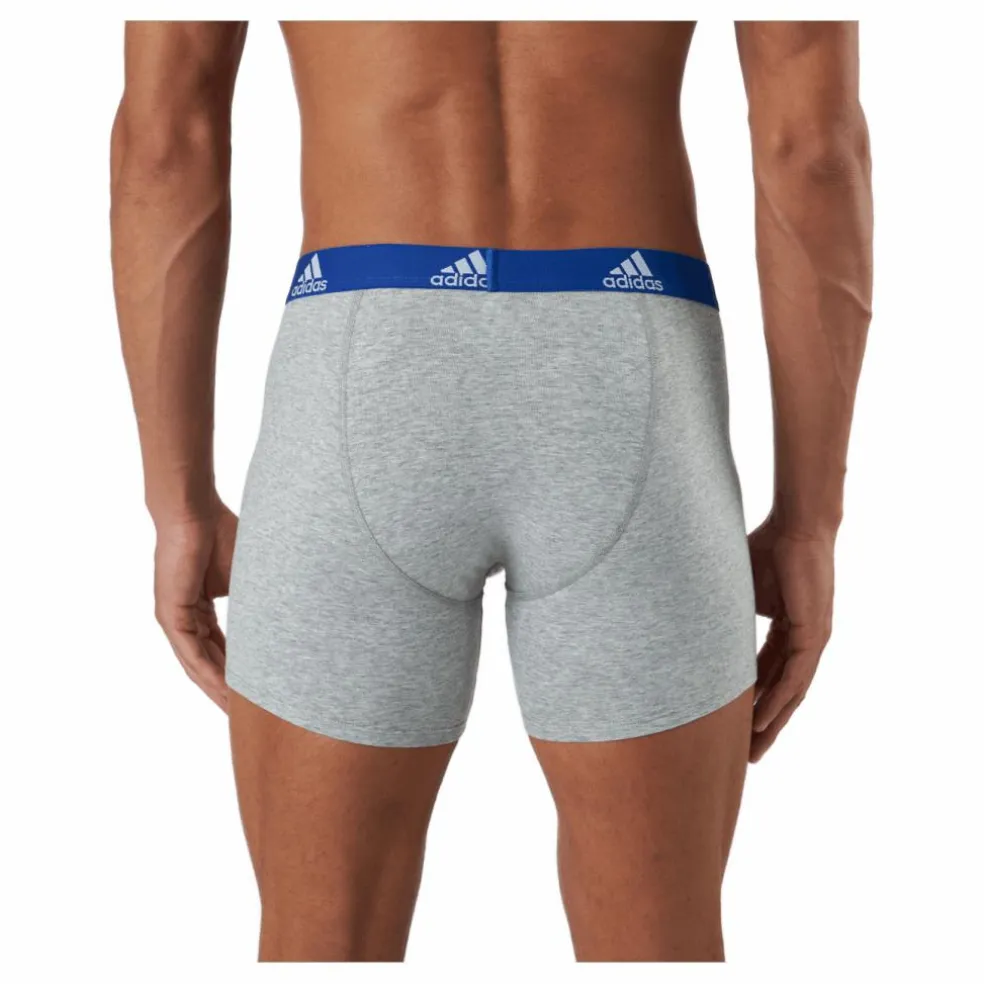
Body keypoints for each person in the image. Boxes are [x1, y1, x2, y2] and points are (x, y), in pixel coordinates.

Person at [110, 21, 872, 962]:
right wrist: (808, 521)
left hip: (360, 363)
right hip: (632, 367)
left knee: (320, 946)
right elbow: (812, 151)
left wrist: (179, 504)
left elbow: (165, 140)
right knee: (659, 952)